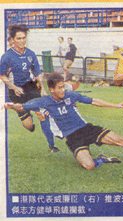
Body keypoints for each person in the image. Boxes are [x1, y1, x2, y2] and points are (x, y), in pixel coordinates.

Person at [4, 73, 123, 170]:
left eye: (64, 86)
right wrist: (11, 106)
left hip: (86, 129)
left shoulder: (71, 96)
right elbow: (23, 106)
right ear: (52, 89)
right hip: (73, 138)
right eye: (60, 87)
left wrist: (115, 105)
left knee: (121, 140)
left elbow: (95, 101)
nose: (63, 90)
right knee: (89, 166)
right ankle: (103, 159)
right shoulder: (44, 101)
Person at [0, 24, 58, 153]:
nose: (22, 41)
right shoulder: (7, 56)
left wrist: (42, 88)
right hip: (16, 92)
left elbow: (37, 73)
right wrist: (14, 87)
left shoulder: (31, 54)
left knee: (41, 114)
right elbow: (2, 75)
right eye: (19, 38)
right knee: (29, 126)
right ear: (12, 40)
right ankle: (27, 119)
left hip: (30, 87)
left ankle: (52, 146)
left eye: (23, 38)